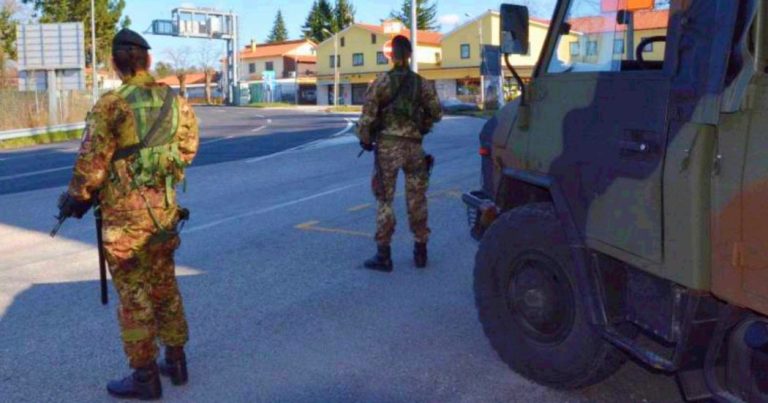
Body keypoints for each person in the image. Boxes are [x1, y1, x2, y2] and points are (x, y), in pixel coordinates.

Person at [56, 28, 199, 400]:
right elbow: (188, 150)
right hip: (163, 215)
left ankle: (144, 376)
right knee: (165, 285)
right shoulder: (176, 102)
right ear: (147, 61)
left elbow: (91, 164)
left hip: (123, 221)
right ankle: (177, 360)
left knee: (134, 296)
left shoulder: (112, 104)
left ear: (116, 64)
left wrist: (76, 198)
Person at [356, 35, 443, 272]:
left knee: (385, 199)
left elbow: (367, 116)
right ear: (410, 54)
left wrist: (365, 139)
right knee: (417, 198)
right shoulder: (422, 84)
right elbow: (437, 112)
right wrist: (421, 124)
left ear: (392, 55)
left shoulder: (382, 82)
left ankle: (384, 255)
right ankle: (421, 250)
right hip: (414, 147)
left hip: (388, 147)